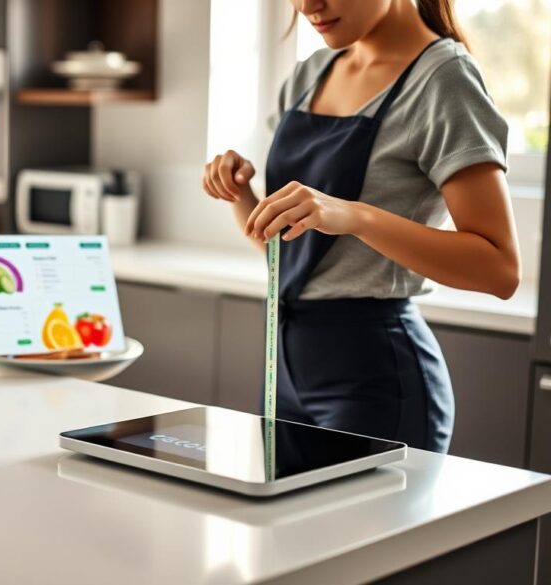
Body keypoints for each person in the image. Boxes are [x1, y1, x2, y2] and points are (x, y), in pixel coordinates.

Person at [201, 0, 520, 452]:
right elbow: (289, 251)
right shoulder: (311, 74)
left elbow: (500, 270)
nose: (307, 6)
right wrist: (240, 193)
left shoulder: (443, 79)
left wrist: (356, 216)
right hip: (284, 370)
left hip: (377, 382)